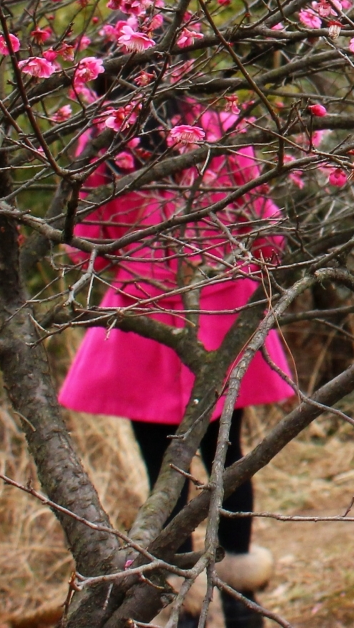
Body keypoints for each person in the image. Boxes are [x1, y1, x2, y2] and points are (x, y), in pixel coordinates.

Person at [59, 95, 292, 628]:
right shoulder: (223, 127)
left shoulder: (105, 140)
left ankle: (187, 605)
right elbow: (266, 232)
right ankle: (237, 601)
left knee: (164, 472)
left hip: (147, 318)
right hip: (219, 308)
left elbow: (89, 243)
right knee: (226, 460)